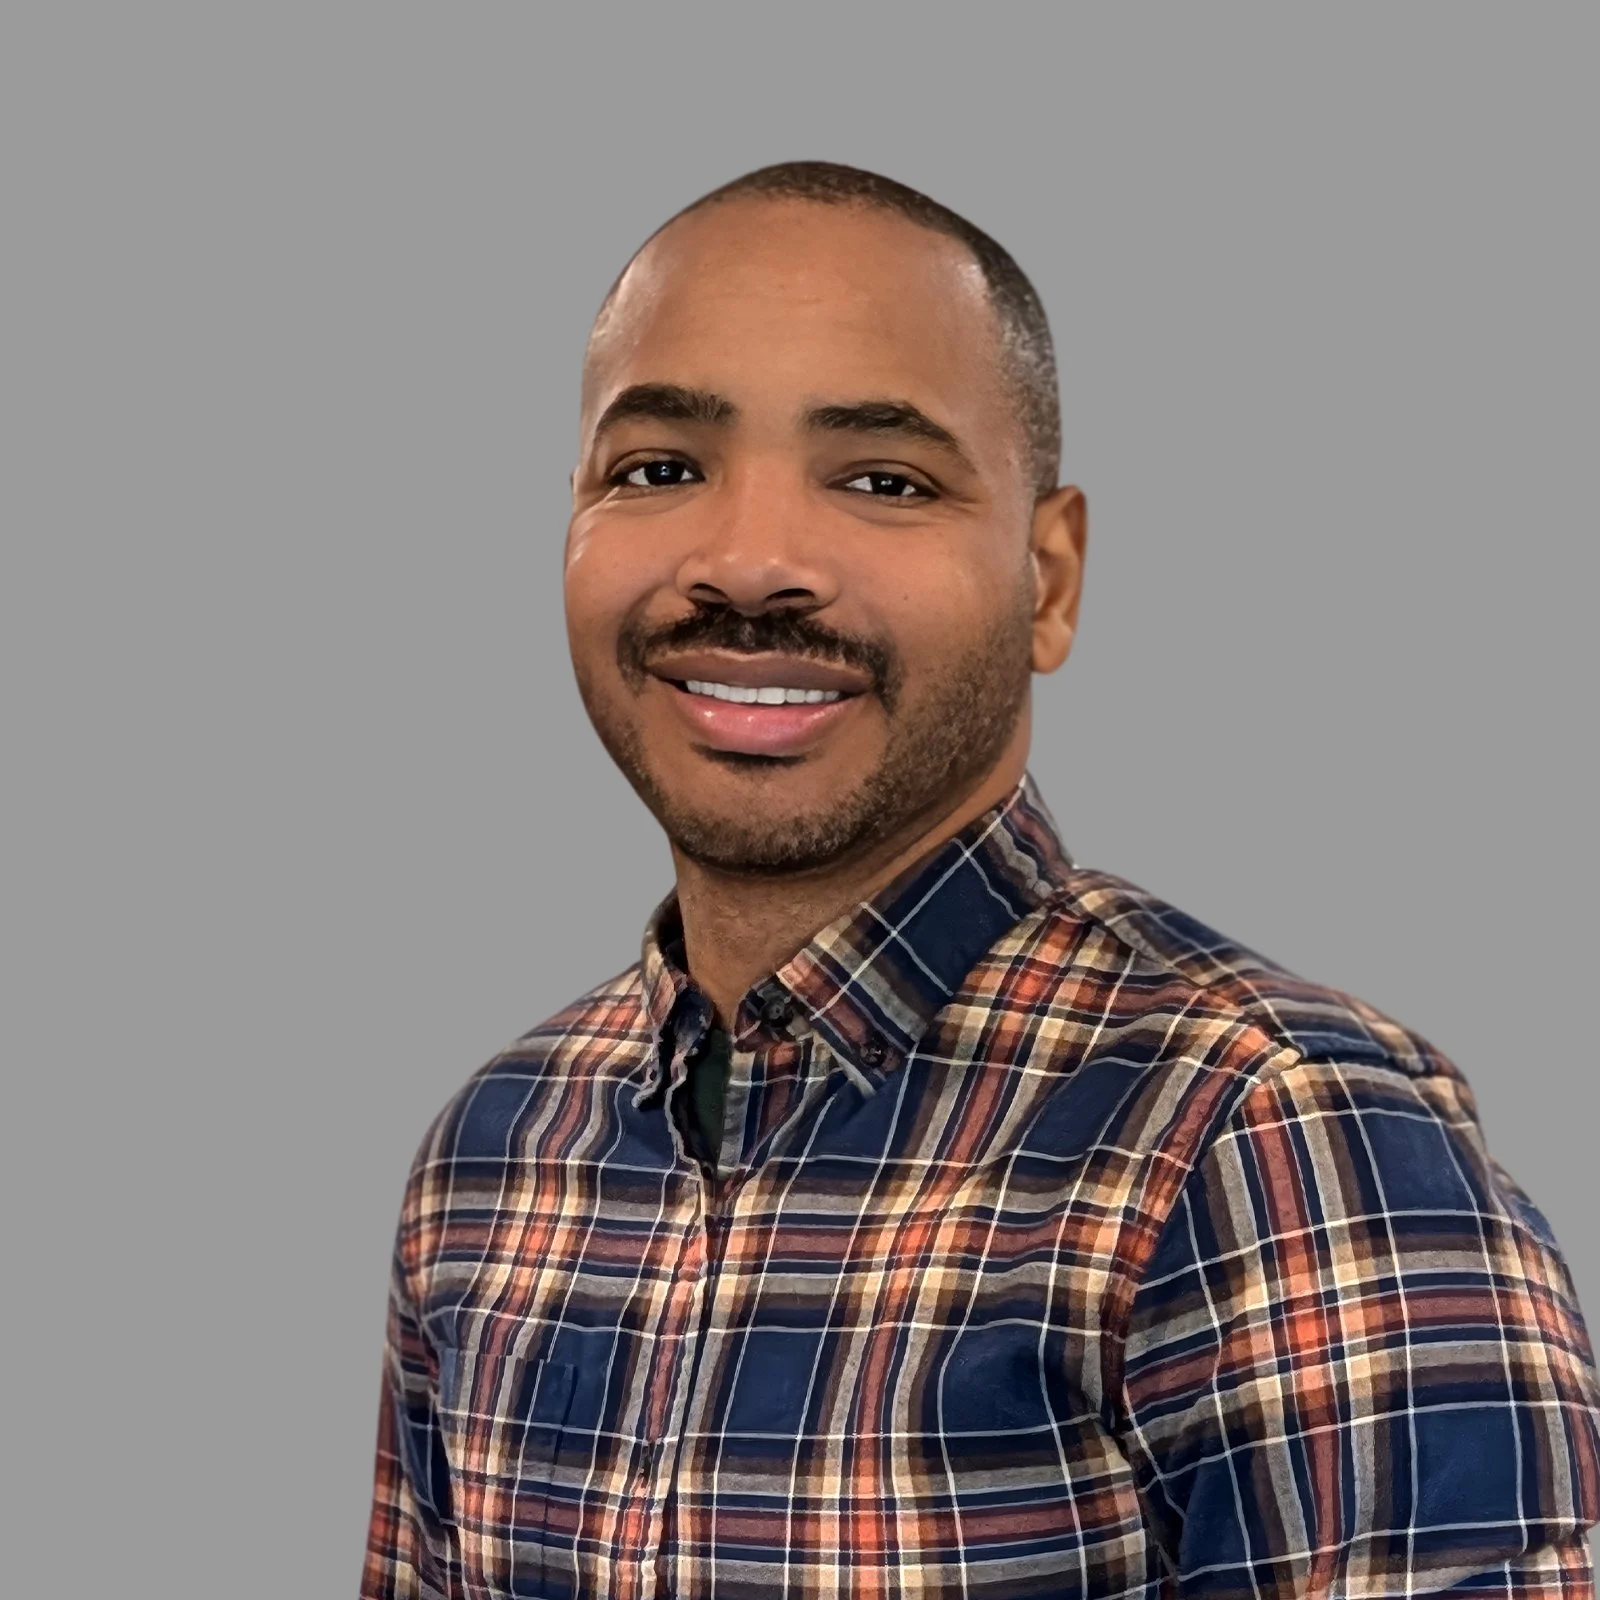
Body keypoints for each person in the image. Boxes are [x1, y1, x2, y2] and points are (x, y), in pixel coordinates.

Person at [361, 161, 1600, 1600]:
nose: (748, 560)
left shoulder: (1272, 1138)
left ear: (1049, 578)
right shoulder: (491, 1156)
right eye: (657, 469)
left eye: (883, 480)